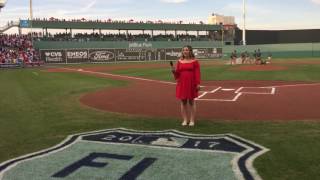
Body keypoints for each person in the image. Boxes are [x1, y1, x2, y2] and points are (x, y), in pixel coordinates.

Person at [171, 45, 201, 126]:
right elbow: (177, 74)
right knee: (183, 102)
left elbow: (197, 73)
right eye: (184, 50)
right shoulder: (179, 61)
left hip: (191, 83)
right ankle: (185, 120)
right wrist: (174, 71)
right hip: (182, 83)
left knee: (191, 101)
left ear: (190, 51)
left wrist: (198, 83)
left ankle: (192, 120)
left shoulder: (195, 61)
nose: (185, 51)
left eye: (187, 50)